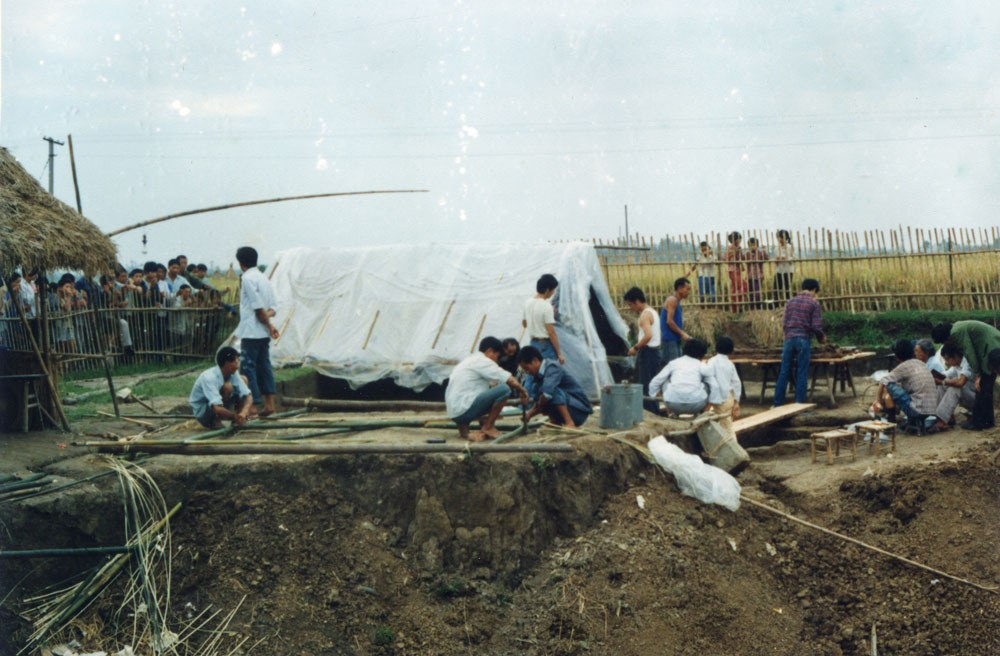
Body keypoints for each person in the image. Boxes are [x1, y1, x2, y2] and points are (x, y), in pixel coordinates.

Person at [445, 336, 530, 441]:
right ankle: (488, 427)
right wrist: (523, 391)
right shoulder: (483, 361)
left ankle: (467, 431)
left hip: (455, 412)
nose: (496, 360)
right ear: (490, 351)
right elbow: (509, 379)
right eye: (497, 356)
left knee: (486, 391)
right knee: (504, 389)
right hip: (463, 410)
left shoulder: (469, 360)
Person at [932, 320, 1000, 430]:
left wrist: (979, 375)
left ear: (946, 338)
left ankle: (979, 423)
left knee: (983, 387)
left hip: (992, 349)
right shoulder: (958, 327)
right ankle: (987, 422)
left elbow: (970, 353)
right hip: (990, 347)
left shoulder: (956, 333)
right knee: (985, 389)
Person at [236, 246, 280, 417]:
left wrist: (266, 322)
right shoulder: (263, 278)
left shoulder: (247, 279)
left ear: (240, 263)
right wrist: (268, 323)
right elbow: (273, 308)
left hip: (251, 332)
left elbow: (259, 309)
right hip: (262, 332)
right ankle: (270, 404)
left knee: (248, 368)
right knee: (264, 366)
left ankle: (252, 407)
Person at [773, 278, 825, 406]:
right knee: (801, 372)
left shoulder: (790, 302)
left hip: (789, 339)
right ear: (814, 289)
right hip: (803, 338)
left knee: (784, 370)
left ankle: (777, 403)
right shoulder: (814, 303)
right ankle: (799, 404)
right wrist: (821, 338)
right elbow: (815, 327)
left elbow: (784, 323)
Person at [518, 345, 593, 428]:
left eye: (526, 368)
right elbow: (538, 401)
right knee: (540, 393)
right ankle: (555, 421)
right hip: (568, 405)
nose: (527, 372)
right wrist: (528, 415)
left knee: (550, 392)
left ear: (535, 361)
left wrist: (538, 407)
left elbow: (547, 393)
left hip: (578, 411)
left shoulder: (552, 367)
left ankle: (569, 422)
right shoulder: (537, 378)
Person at [870, 339, 938, 430]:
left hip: (917, 411)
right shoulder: (920, 363)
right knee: (897, 386)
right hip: (931, 409)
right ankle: (905, 421)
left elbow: (883, 381)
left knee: (889, 385)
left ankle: (891, 421)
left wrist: (878, 400)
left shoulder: (903, 366)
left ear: (897, 356)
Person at [648, 339, 718, 415]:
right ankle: (701, 411)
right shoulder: (701, 365)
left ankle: (670, 409)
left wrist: (658, 397)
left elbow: (655, 382)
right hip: (696, 405)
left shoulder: (674, 363)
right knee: (706, 382)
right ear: (701, 355)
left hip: (672, 404)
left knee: (666, 381)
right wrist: (709, 406)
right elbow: (715, 386)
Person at [189, 346, 253, 428]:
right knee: (227, 387)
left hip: (220, 407)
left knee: (243, 379)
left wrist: (244, 412)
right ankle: (216, 421)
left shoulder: (233, 372)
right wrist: (234, 416)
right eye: (235, 360)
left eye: (238, 360)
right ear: (226, 363)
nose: (237, 363)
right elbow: (216, 408)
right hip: (204, 413)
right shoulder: (209, 377)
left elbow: (248, 395)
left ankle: (240, 419)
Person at [623, 286, 661, 412]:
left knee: (646, 385)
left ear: (637, 301)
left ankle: (651, 412)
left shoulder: (645, 315)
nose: (630, 308)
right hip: (654, 352)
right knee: (650, 384)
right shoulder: (653, 311)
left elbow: (648, 335)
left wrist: (635, 347)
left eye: (630, 304)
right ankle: (653, 410)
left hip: (648, 353)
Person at [930, 343, 976, 431]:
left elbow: (961, 382)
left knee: (954, 387)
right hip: (968, 396)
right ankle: (944, 417)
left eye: (947, 359)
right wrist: (936, 378)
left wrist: (943, 381)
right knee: (942, 385)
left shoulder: (967, 363)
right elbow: (945, 375)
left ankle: (942, 420)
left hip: (976, 399)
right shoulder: (956, 366)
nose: (947, 362)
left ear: (955, 356)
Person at [522, 274, 564, 365]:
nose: (553, 293)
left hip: (533, 344)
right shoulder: (546, 306)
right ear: (547, 290)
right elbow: (551, 333)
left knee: (534, 373)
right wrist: (559, 353)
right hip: (545, 346)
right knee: (550, 373)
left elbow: (525, 324)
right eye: (553, 290)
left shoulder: (527, 303)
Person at [706, 336, 742, 435]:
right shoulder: (730, 364)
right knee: (727, 426)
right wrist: (736, 401)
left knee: (724, 427)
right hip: (727, 399)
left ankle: (734, 448)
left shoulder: (711, 361)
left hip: (714, 398)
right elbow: (736, 383)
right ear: (731, 350)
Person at [659, 277, 692, 365]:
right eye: (687, 289)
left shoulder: (676, 302)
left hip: (675, 339)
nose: (688, 292)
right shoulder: (672, 300)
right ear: (680, 289)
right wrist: (682, 333)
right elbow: (669, 322)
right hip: (670, 340)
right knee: (674, 368)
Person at [744, 237, 769, 309]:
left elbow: (767, 258)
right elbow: (740, 258)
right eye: (751, 245)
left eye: (754, 245)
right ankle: (752, 309)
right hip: (749, 276)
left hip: (758, 276)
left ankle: (758, 308)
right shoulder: (747, 254)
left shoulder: (760, 253)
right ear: (748, 246)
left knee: (757, 293)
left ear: (757, 246)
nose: (753, 247)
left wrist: (764, 250)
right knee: (751, 293)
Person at [724, 231, 745, 312]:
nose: (740, 240)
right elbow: (724, 258)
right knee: (744, 286)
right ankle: (733, 297)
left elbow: (741, 257)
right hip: (732, 271)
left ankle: (735, 310)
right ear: (735, 239)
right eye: (739, 238)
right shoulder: (730, 248)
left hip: (738, 270)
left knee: (736, 288)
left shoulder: (739, 248)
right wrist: (732, 255)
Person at [774, 229, 795, 301]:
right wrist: (777, 259)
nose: (781, 239)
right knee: (776, 288)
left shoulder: (790, 247)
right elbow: (775, 260)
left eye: (782, 237)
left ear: (786, 238)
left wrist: (786, 258)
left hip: (788, 271)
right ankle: (776, 306)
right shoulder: (776, 248)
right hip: (779, 271)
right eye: (779, 237)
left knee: (787, 288)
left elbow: (793, 258)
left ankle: (788, 304)